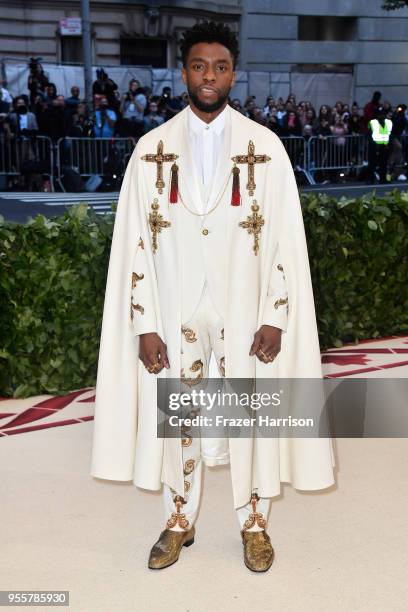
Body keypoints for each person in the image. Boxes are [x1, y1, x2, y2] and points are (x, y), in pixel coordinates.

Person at [91, 20, 335, 573]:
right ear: (184, 72)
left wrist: (275, 315)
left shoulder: (265, 148)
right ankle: (180, 518)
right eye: (199, 65)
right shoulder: (151, 149)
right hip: (176, 307)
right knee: (178, 414)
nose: (209, 76)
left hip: (243, 307)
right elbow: (133, 245)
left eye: (219, 67)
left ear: (233, 72)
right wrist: (144, 323)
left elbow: (282, 241)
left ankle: (253, 523)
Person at [367, 105, 392, 183]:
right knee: (372, 163)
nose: (381, 115)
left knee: (383, 163)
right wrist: (373, 144)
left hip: (385, 146)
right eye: (379, 114)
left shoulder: (389, 122)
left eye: (383, 113)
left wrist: (388, 144)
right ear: (376, 114)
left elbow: (390, 134)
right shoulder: (372, 122)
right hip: (374, 146)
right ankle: (370, 179)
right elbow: (369, 134)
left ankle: (383, 179)